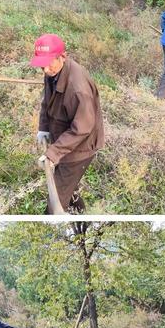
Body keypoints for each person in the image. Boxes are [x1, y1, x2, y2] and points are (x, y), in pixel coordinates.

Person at [30, 33, 105, 214]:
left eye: (49, 64)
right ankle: (81, 216)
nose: (46, 70)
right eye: (42, 65)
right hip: (64, 140)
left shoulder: (78, 88)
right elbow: (46, 101)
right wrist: (44, 127)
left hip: (79, 149)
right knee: (69, 188)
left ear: (62, 56)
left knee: (54, 204)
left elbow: (82, 129)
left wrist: (53, 153)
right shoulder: (52, 71)